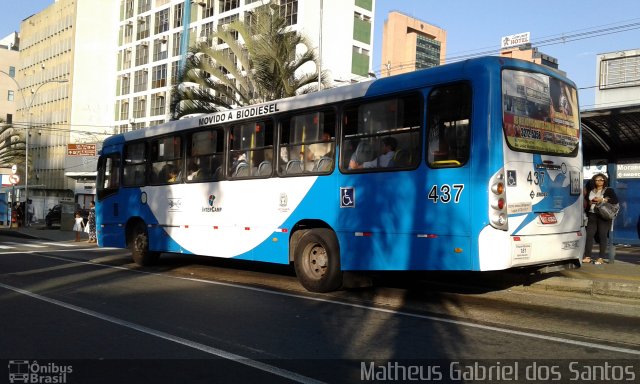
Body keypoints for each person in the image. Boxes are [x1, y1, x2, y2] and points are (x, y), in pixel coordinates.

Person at [582, 173, 618, 265]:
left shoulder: (609, 190)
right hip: (592, 215)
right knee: (589, 235)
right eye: (597, 180)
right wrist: (590, 202)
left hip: (604, 215)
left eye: (601, 180)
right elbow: (587, 201)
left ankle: (601, 258)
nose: (599, 181)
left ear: (604, 181)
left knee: (602, 236)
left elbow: (615, 200)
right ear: (594, 181)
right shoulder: (591, 190)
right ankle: (587, 257)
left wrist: (602, 200)